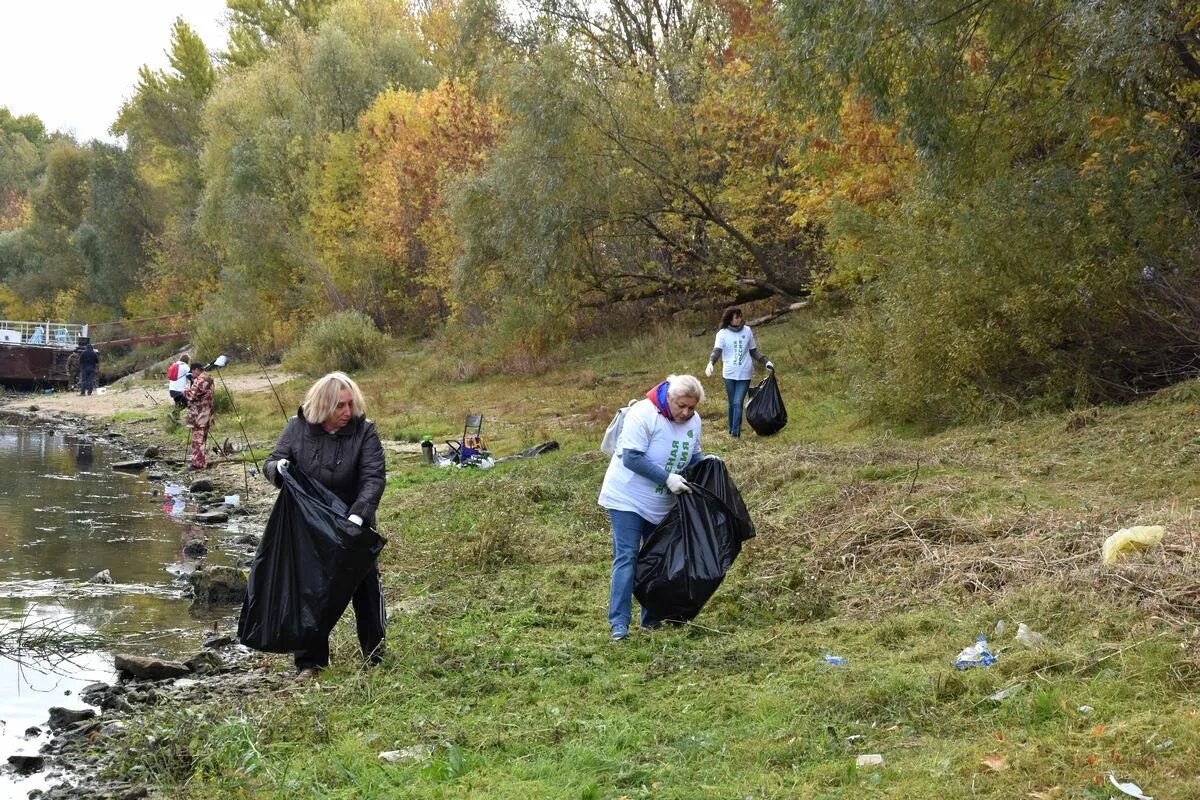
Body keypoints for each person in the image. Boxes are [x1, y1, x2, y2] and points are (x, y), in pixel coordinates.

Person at [263, 372, 387, 679]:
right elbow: (271, 461)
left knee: (366, 588)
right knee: (309, 592)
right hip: (309, 528)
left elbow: (374, 478)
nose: (347, 412)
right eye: (339, 407)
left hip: (353, 524)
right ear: (323, 406)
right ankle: (310, 663)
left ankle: (375, 655)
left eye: (350, 404)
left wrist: (358, 516)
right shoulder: (297, 429)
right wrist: (278, 469)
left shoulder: (365, 432)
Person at [598, 374, 705, 641]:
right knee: (628, 556)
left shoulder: (694, 421)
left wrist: (708, 468)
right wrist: (667, 478)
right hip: (627, 498)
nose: (686, 412)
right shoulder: (643, 414)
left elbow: (694, 456)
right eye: (681, 405)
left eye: (692, 407)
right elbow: (631, 458)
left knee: (658, 559)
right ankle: (619, 624)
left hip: (662, 502)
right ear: (669, 398)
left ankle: (652, 619)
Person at [704, 306, 773, 438]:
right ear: (730, 319)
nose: (740, 318)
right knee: (731, 402)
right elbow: (717, 351)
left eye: (741, 316)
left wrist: (766, 362)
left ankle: (735, 433)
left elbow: (753, 350)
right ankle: (731, 428)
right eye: (737, 317)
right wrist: (711, 362)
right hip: (729, 373)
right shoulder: (722, 334)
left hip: (745, 373)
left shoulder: (747, 331)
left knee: (738, 402)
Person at [183, 361, 215, 471]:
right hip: (207, 414)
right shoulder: (208, 378)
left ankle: (197, 464)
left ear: (196, 370)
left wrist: (185, 390)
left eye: (192, 372)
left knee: (197, 440)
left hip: (199, 415)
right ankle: (200, 462)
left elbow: (191, 396)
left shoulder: (200, 380)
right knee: (202, 439)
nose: (193, 374)